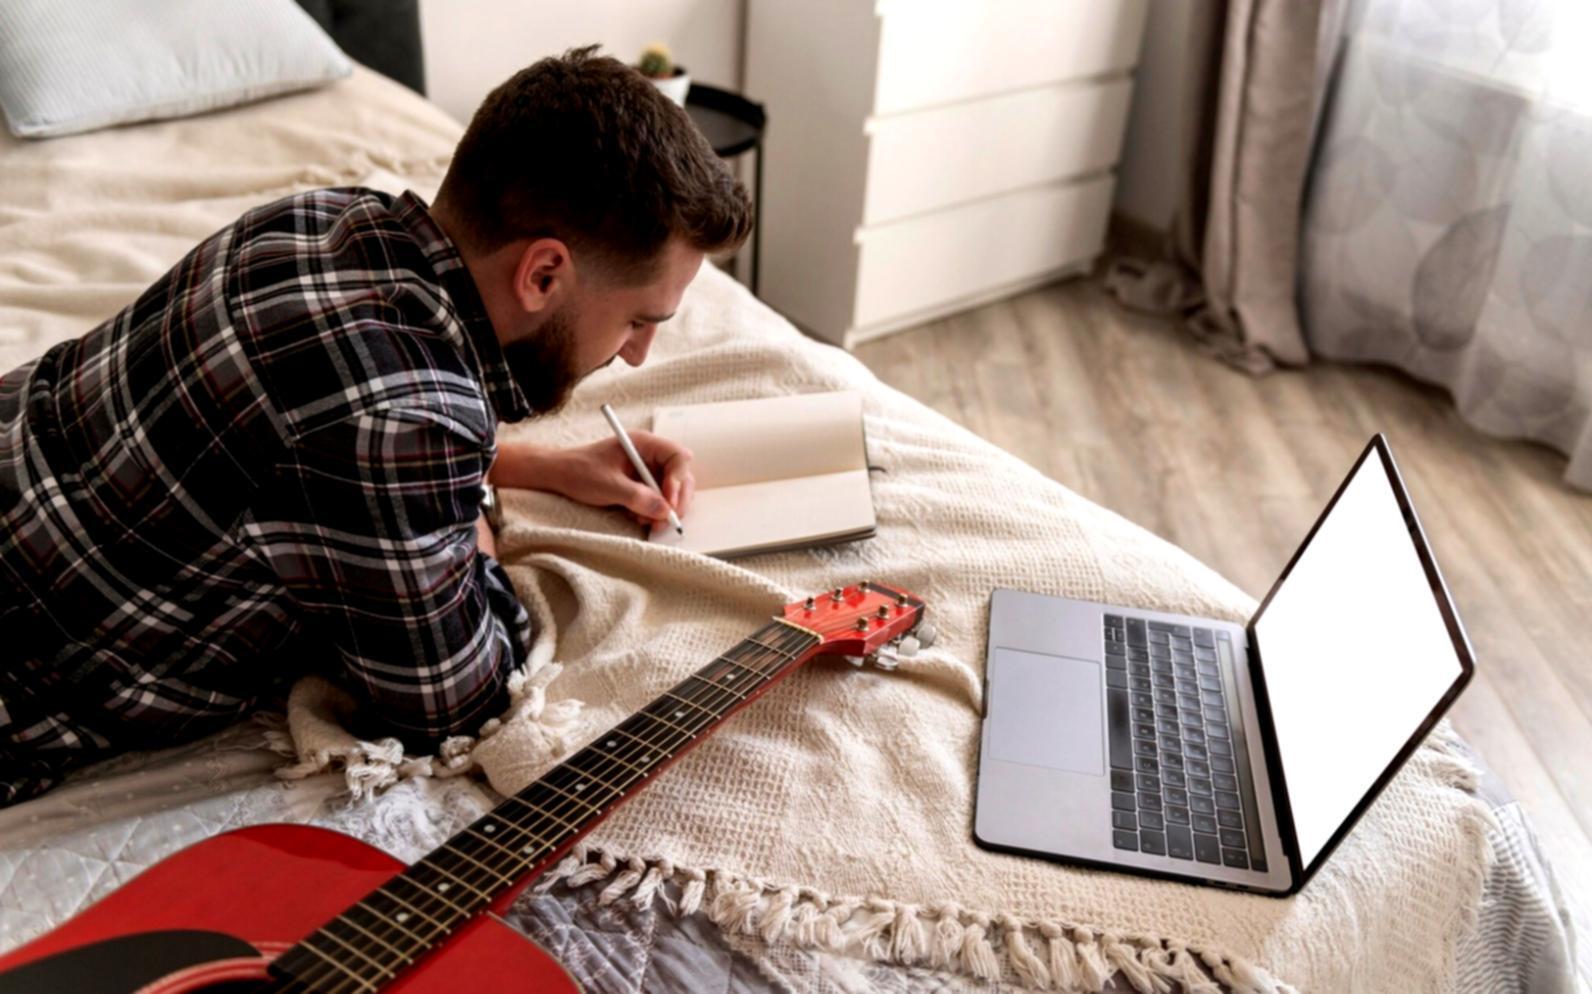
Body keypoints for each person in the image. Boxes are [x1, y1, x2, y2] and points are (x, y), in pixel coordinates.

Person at [0, 46, 753, 807]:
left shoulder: (321, 217)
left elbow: (299, 435)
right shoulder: (405, 424)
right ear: (543, 274)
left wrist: (531, 464)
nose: (637, 354)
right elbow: (460, 705)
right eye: (638, 319)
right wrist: (472, 512)